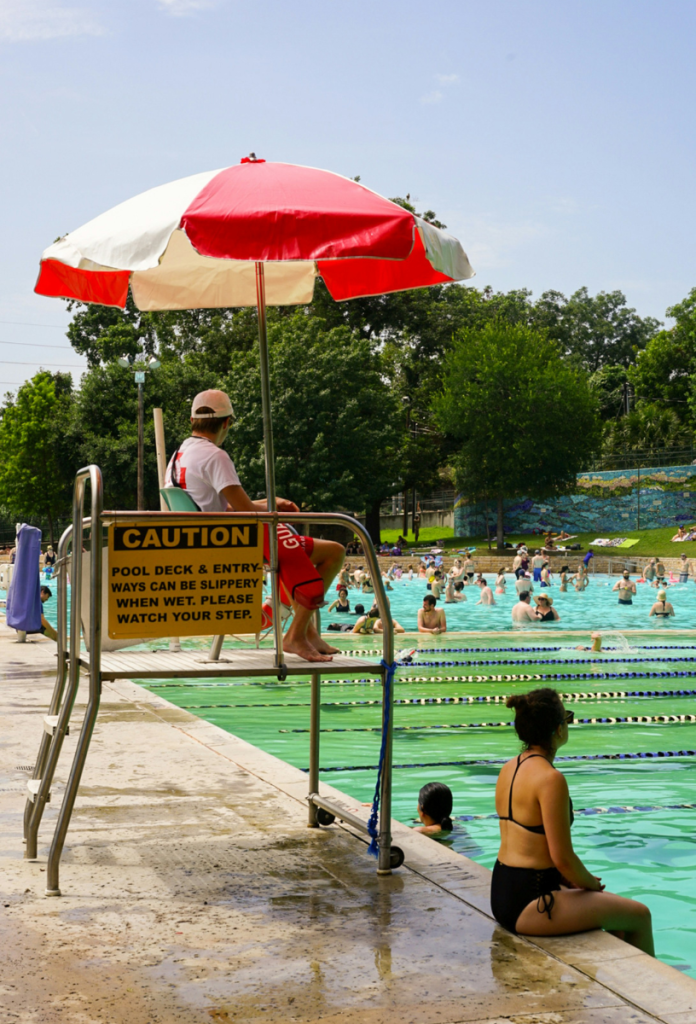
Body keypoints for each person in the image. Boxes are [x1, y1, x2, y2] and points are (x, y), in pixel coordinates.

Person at [164, 389, 344, 663]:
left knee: (327, 549)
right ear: (227, 423)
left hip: (207, 537)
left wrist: (272, 503)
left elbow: (225, 504)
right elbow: (246, 510)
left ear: (192, 421)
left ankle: (306, 631)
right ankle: (295, 636)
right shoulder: (216, 456)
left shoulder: (178, 455)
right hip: (231, 541)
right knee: (325, 554)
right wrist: (271, 510)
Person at [490, 688, 654, 953]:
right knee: (640, 915)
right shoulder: (550, 779)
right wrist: (589, 884)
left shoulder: (509, 768)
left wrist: (574, 882)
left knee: (618, 921)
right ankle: (657, 993)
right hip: (532, 902)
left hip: (502, 893)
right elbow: (562, 857)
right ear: (558, 729)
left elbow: (530, 846)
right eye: (567, 718)